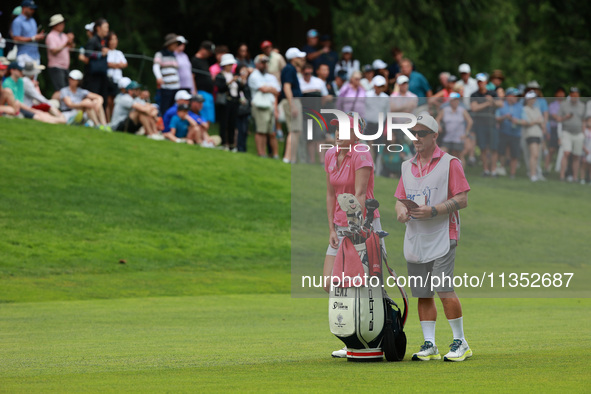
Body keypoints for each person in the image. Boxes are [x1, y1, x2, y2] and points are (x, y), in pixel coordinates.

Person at [394, 112, 472, 362]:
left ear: (434, 136)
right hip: (416, 236)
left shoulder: (451, 163)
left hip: (443, 233)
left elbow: (463, 199)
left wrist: (435, 210)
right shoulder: (407, 165)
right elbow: (399, 199)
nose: (416, 138)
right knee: (422, 292)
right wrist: (401, 212)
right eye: (413, 133)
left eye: (422, 133)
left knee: (443, 288)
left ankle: (461, 342)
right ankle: (430, 344)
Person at [322, 112, 381, 358]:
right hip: (339, 226)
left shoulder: (362, 154)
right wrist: (332, 229)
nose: (338, 133)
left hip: (363, 226)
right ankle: (352, 338)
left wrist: (352, 228)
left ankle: (367, 339)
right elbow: (330, 194)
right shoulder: (330, 155)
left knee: (365, 287)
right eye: (337, 129)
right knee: (330, 284)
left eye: (344, 130)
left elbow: (360, 195)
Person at [248, 54, 280, 158]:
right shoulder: (254, 75)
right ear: (256, 64)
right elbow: (263, 89)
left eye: (266, 63)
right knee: (261, 131)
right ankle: (261, 153)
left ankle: (275, 154)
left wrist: (268, 89)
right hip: (259, 106)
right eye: (262, 63)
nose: (264, 65)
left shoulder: (270, 76)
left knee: (271, 132)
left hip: (271, 105)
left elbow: (277, 91)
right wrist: (270, 89)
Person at [470, 73, 502, 176]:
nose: (480, 83)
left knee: (494, 148)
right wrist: (487, 103)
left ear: (486, 82)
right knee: (483, 148)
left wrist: (492, 100)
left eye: (482, 81)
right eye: (479, 81)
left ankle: (493, 170)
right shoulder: (474, 95)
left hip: (492, 124)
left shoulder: (493, 93)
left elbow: (500, 104)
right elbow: (474, 108)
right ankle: (486, 170)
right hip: (480, 124)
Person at [279, 47, 306, 163]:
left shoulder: (290, 69)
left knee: (296, 131)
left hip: (293, 101)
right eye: (299, 57)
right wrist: (293, 105)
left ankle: (291, 158)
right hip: (292, 101)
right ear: (294, 58)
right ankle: (288, 158)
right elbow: (287, 87)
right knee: (294, 130)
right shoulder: (290, 69)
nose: (301, 59)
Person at [215, 53, 245, 151]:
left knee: (232, 123)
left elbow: (240, 89)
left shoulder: (234, 75)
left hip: (235, 102)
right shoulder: (220, 75)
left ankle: (232, 144)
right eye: (229, 64)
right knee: (224, 123)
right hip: (225, 102)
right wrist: (231, 81)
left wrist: (242, 82)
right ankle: (224, 143)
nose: (231, 66)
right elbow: (221, 88)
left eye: (231, 64)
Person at [557, 87, 586, 182]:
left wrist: (584, 133)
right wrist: (566, 117)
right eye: (572, 94)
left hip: (578, 133)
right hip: (567, 132)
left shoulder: (582, 106)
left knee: (576, 156)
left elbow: (584, 121)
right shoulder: (564, 105)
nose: (574, 96)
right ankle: (561, 176)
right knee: (566, 153)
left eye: (576, 94)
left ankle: (575, 177)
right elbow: (558, 119)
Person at [436, 92, 472, 165]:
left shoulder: (462, 110)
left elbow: (470, 121)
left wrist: (466, 132)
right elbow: (437, 119)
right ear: (450, 101)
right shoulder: (445, 110)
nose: (456, 102)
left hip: (458, 137)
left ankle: (461, 174)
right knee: (442, 153)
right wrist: (438, 126)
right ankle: (444, 172)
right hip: (447, 137)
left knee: (459, 155)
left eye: (457, 100)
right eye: (454, 100)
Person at [81, 18, 111, 108]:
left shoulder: (104, 41)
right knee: (93, 98)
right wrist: (100, 54)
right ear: (98, 28)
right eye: (105, 27)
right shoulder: (93, 40)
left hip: (102, 74)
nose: (107, 30)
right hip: (92, 76)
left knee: (104, 99)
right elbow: (87, 54)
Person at [495, 88, 524, 178]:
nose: (515, 98)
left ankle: (512, 174)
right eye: (513, 96)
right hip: (503, 132)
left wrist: (517, 121)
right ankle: (500, 168)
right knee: (501, 153)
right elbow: (497, 118)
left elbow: (525, 121)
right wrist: (504, 117)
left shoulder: (520, 107)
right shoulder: (502, 105)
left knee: (514, 155)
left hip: (516, 134)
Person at [45, 14, 74, 94]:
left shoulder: (64, 36)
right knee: (61, 90)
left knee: (67, 89)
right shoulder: (50, 36)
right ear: (55, 25)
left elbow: (70, 50)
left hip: (65, 67)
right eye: (60, 23)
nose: (63, 25)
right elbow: (53, 51)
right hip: (56, 66)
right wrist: (66, 44)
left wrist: (71, 42)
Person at [153, 33, 181, 115]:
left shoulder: (174, 56)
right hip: (166, 87)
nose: (176, 46)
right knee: (164, 107)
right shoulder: (160, 54)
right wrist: (159, 77)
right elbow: (156, 66)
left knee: (173, 108)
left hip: (175, 87)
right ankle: (163, 126)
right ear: (169, 44)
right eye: (175, 44)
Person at [10, 0, 44, 67]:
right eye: (30, 8)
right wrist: (33, 38)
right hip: (24, 55)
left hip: (35, 55)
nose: (33, 11)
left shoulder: (33, 20)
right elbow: (16, 38)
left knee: (33, 77)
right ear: (24, 8)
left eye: (33, 9)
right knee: (25, 77)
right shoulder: (17, 21)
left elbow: (33, 37)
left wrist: (38, 37)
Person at [522, 91, 546, 182]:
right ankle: (532, 174)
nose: (533, 100)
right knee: (534, 154)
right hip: (530, 134)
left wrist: (538, 122)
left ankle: (536, 173)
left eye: (534, 98)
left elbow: (542, 122)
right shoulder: (524, 109)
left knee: (537, 155)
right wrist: (537, 121)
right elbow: (527, 122)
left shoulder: (536, 109)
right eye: (531, 98)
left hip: (538, 133)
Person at [106, 31, 128, 122]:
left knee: (115, 101)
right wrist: (117, 65)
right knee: (108, 101)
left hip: (117, 80)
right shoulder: (105, 51)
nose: (114, 41)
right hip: (108, 79)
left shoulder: (119, 53)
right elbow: (107, 64)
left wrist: (113, 65)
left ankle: (113, 121)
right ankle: (107, 120)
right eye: (112, 39)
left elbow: (124, 64)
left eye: (115, 39)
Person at [191, 40, 215, 123]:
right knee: (202, 115)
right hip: (201, 92)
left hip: (208, 93)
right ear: (203, 49)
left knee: (209, 116)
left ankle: (205, 134)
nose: (210, 55)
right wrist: (194, 91)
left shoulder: (205, 61)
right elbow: (192, 77)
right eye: (209, 52)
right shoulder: (195, 60)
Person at [546, 87, 566, 173]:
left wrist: (562, 118)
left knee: (563, 150)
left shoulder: (566, 104)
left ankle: (561, 169)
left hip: (564, 129)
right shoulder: (552, 105)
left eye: (562, 93)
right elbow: (555, 117)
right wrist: (565, 118)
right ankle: (547, 167)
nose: (561, 95)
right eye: (559, 93)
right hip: (554, 128)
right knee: (551, 149)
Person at [235, 64, 251, 153]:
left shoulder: (249, 81)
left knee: (245, 129)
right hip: (238, 107)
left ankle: (243, 147)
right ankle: (238, 146)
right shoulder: (237, 80)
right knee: (239, 128)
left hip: (246, 108)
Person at [581, 117, 591, 184]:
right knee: (584, 165)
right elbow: (582, 142)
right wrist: (585, 149)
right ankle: (582, 179)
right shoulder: (585, 131)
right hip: (585, 150)